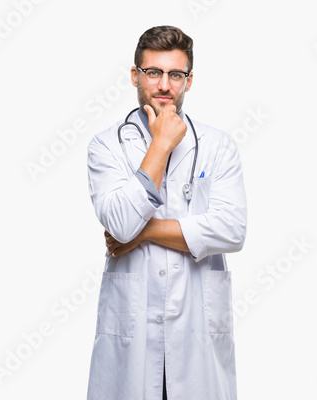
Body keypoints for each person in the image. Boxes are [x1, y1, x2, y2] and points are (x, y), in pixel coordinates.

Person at [86, 25, 247, 400]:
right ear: (135, 76)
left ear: (189, 81)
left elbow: (231, 230)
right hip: (132, 331)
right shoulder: (107, 146)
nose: (164, 85)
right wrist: (160, 145)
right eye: (153, 72)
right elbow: (121, 222)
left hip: (196, 333)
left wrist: (143, 233)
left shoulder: (218, 146)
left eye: (176, 74)